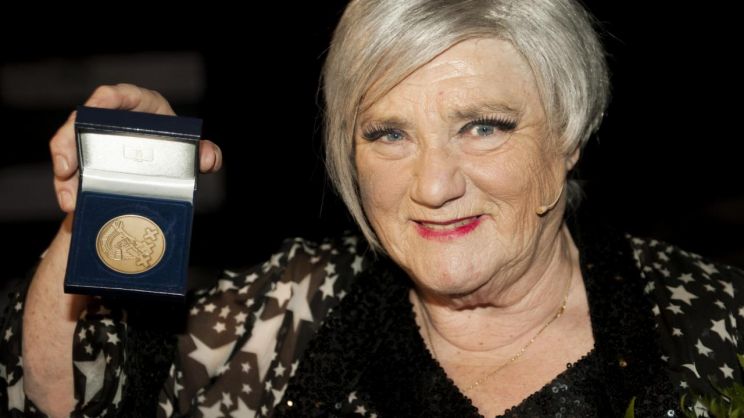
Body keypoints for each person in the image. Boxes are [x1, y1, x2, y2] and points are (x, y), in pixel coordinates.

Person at [2, 0, 743, 417]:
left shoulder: (715, 323)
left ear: (568, 137)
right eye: (389, 134)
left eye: (483, 127)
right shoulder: (290, 307)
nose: (433, 185)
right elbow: (73, 395)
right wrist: (112, 200)